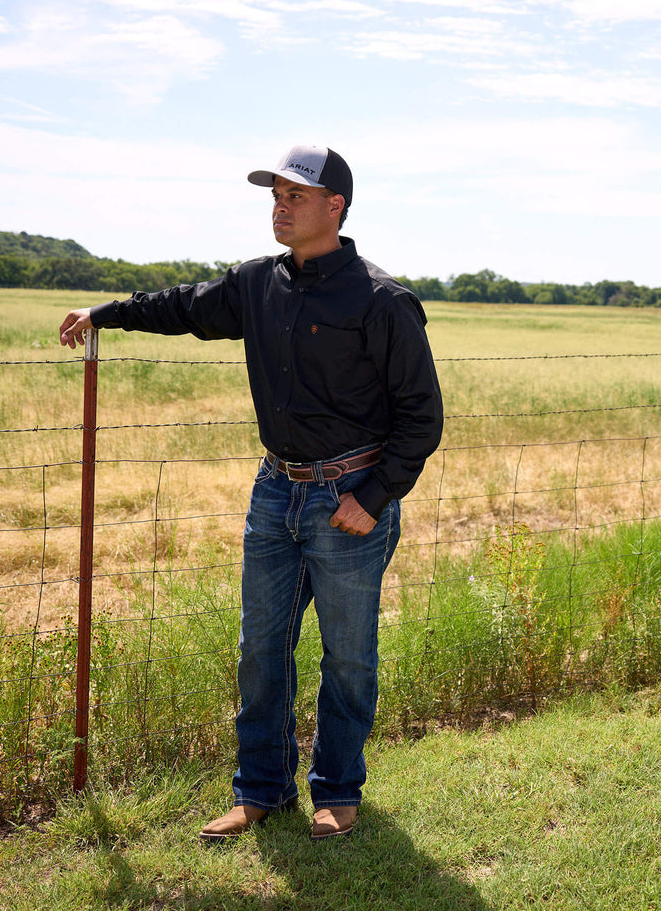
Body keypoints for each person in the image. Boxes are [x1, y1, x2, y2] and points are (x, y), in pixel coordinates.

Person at [59, 145, 443, 842]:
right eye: (276, 194)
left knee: (347, 657)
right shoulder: (255, 284)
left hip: (350, 499)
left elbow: (422, 417)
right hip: (275, 494)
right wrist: (105, 313)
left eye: (296, 195)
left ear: (336, 207)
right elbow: (180, 306)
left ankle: (338, 791)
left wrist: (377, 494)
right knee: (260, 649)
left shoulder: (382, 300)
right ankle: (259, 791)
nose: (280, 205)